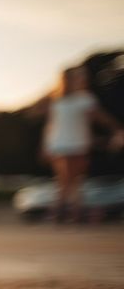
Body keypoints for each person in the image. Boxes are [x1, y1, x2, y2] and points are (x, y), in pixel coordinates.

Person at [42, 66, 124, 223]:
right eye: (77, 77)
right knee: (68, 180)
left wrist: (114, 129)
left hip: (74, 143)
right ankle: (65, 212)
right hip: (64, 144)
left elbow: (98, 118)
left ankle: (66, 213)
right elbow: (51, 125)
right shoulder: (63, 101)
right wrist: (117, 127)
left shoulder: (79, 99)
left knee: (71, 180)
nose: (81, 79)